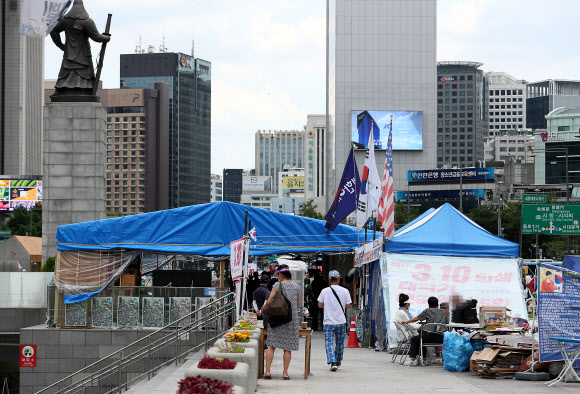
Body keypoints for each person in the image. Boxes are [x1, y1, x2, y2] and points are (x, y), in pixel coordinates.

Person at [264, 264, 300, 380]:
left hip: (277, 319)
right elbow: (297, 304)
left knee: (271, 345)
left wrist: (262, 308)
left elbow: (269, 301)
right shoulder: (297, 287)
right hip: (290, 320)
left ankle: (268, 371)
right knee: (287, 348)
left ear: (280, 274)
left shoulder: (277, 285)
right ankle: (285, 373)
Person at [317, 270, 352, 371]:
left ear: (329, 279)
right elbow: (348, 305)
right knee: (339, 343)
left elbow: (319, 305)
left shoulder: (324, 291)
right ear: (339, 279)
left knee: (329, 342)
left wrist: (327, 305)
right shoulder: (345, 291)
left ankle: (332, 361)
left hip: (328, 322)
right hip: (341, 322)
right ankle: (338, 360)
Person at [401, 296, 449, 366]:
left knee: (414, 339)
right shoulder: (444, 312)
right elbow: (447, 324)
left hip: (429, 337)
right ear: (438, 304)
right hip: (440, 338)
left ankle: (413, 359)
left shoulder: (427, 311)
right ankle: (424, 359)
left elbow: (416, 319)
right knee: (420, 338)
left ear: (429, 305)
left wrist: (407, 321)